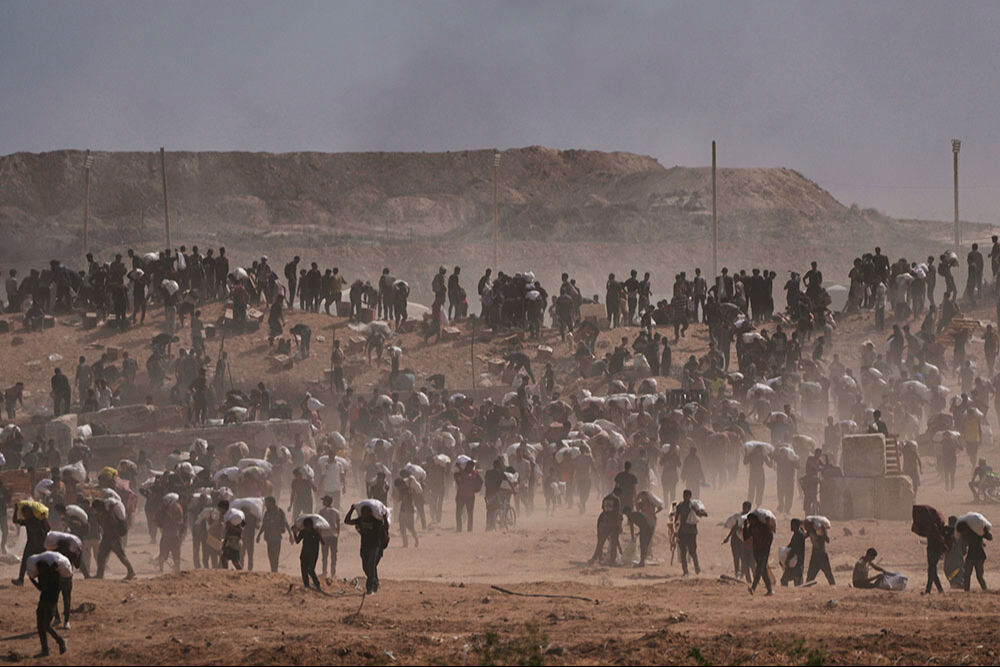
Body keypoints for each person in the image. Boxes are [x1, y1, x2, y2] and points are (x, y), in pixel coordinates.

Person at [344, 503, 390, 595]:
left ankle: (370, 588)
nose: (365, 514)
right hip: (364, 546)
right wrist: (351, 509)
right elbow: (347, 521)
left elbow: (385, 527)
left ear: (370, 512)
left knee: (371, 565)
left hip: (375, 546)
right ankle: (375, 581)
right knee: (366, 567)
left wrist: (384, 517)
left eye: (366, 512)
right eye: (363, 512)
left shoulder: (376, 521)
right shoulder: (360, 520)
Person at [29, 559, 67, 657]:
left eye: (40, 569)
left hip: (51, 603)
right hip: (43, 602)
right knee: (40, 626)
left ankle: (60, 641)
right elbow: (41, 588)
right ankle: (45, 650)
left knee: (46, 625)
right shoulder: (44, 575)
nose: (39, 571)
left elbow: (47, 588)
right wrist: (33, 580)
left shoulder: (55, 575)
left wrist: (35, 580)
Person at [94, 499, 135, 580]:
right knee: (101, 556)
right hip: (107, 538)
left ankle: (131, 571)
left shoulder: (109, 514)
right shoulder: (103, 514)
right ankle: (100, 574)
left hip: (114, 538)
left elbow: (112, 525)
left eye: (96, 509)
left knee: (121, 556)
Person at [12, 503, 50, 586]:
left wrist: (44, 518)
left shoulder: (39, 519)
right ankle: (20, 580)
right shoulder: (27, 521)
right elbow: (15, 521)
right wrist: (15, 509)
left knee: (42, 563)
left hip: (41, 544)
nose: (24, 515)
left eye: (25, 513)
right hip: (31, 544)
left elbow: (48, 528)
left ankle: (45, 581)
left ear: (30, 512)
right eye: (23, 513)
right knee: (24, 562)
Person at [674, 489, 706, 576]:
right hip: (683, 532)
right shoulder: (680, 506)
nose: (685, 497)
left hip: (691, 532)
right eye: (684, 495)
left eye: (687, 496)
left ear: (690, 496)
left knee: (692, 552)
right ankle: (685, 571)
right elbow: (676, 519)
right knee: (683, 553)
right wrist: (675, 530)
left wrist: (702, 513)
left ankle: (697, 568)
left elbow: (699, 514)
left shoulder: (693, 506)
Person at [257, 496, 291, 573]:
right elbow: (264, 525)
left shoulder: (280, 512)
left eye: (266, 503)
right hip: (269, 538)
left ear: (271, 503)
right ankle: (273, 569)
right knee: (270, 555)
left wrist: (290, 535)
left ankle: (274, 570)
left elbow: (286, 523)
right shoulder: (267, 513)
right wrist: (259, 535)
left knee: (275, 555)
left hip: (277, 538)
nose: (265, 504)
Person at [744, 511, 774, 596]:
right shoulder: (751, 527)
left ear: (755, 519)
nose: (750, 522)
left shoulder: (764, 527)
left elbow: (770, 537)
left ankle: (753, 588)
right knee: (763, 570)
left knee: (759, 569)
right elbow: (746, 537)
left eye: (750, 520)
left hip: (764, 551)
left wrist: (766, 547)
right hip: (756, 551)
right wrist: (745, 526)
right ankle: (770, 590)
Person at [958, 520, 992, 592]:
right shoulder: (966, 535)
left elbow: (990, 537)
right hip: (971, 556)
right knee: (967, 575)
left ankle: (985, 590)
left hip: (979, 556)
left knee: (979, 576)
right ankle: (967, 591)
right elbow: (964, 546)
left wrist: (985, 531)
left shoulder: (977, 532)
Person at [294, 516, 324, 589]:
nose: (307, 528)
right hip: (304, 554)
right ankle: (307, 586)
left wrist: (319, 533)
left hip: (313, 555)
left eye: (308, 526)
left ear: (311, 525)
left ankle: (317, 585)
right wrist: (294, 533)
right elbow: (297, 541)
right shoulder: (303, 532)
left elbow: (323, 542)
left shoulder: (315, 532)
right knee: (304, 571)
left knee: (311, 570)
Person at [805, 519, 835, 585]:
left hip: (820, 556)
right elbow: (803, 537)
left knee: (828, 575)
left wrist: (823, 532)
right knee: (810, 577)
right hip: (817, 556)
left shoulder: (818, 530)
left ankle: (834, 588)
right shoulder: (811, 531)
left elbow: (827, 540)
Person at [317, 496, 340, 578]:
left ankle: (324, 572)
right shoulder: (336, 511)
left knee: (325, 555)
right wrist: (337, 534)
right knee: (333, 555)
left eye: (324, 501)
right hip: (333, 535)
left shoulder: (322, 512)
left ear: (327, 502)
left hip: (325, 536)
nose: (323, 502)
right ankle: (333, 573)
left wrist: (319, 535)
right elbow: (338, 524)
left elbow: (319, 524)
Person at [781, 518, 806, 587]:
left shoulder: (798, 535)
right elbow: (791, 546)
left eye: (792, 525)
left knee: (785, 580)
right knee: (796, 581)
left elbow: (793, 549)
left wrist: (786, 560)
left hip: (796, 562)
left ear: (795, 525)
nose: (791, 526)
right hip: (797, 562)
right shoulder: (798, 534)